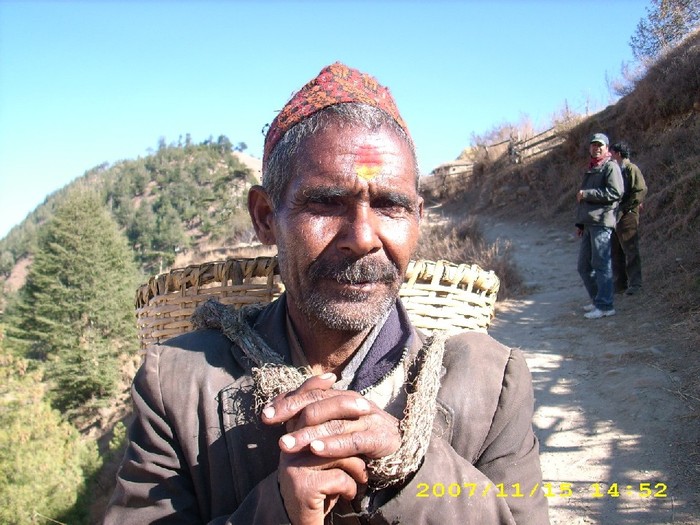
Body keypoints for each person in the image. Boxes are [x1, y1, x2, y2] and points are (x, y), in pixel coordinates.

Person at [105, 63, 549, 524]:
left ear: (418, 218)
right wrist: (278, 509)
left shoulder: (491, 385)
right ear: (265, 218)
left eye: (390, 205)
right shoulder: (176, 385)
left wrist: (409, 472)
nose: (363, 237)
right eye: (325, 202)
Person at [575, 133, 624, 319]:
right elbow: (584, 202)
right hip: (589, 223)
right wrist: (580, 223)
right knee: (584, 267)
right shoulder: (593, 167)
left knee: (601, 265)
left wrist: (588, 194)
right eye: (593, 145)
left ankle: (605, 306)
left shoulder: (610, 167)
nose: (596, 148)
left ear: (606, 148)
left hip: (602, 222)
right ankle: (598, 301)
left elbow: (616, 192)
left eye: (600, 145)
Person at [610, 141, 647, 295]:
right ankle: (619, 284)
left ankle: (635, 284)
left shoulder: (631, 168)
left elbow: (640, 190)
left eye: (612, 153)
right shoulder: (616, 170)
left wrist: (626, 208)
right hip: (615, 215)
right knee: (616, 251)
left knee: (630, 249)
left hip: (627, 214)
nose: (610, 156)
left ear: (618, 153)